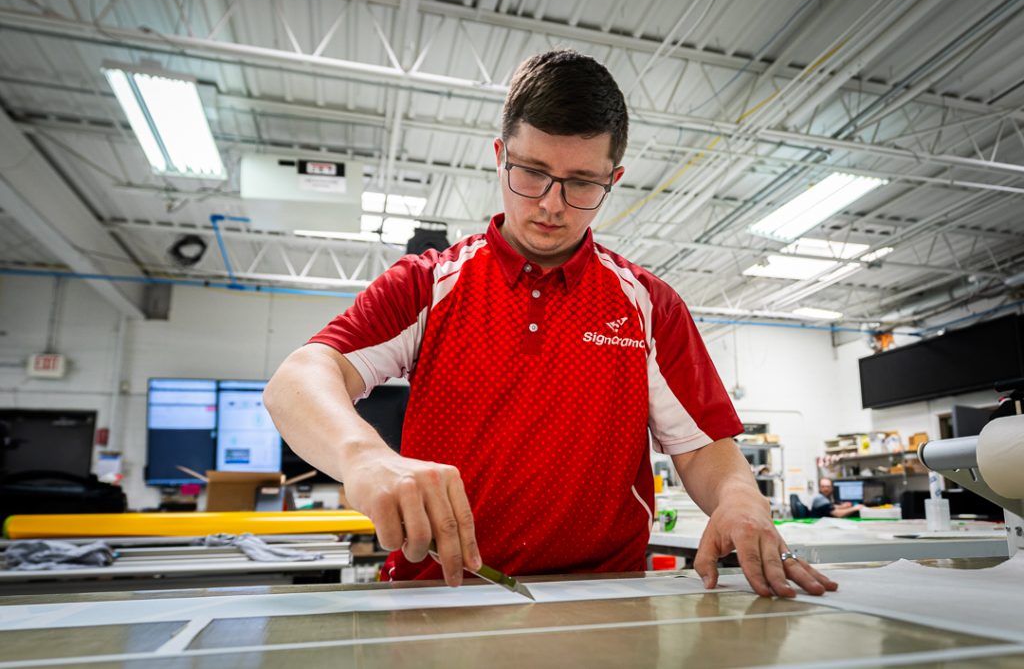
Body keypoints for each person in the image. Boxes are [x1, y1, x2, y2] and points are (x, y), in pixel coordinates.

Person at [264, 49, 837, 598]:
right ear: (499, 155)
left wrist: (739, 498)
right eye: (532, 172)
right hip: (440, 595)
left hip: (607, 601)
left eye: (582, 183)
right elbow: (297, 382)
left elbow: (702, 447)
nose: (551, 204)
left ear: (613, 178)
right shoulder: (428, 285)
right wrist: (365, 457)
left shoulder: (648, 304)